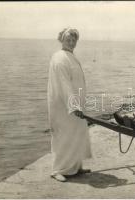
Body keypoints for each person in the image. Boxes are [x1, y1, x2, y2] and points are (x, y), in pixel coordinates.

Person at [47, 28, 91, 182]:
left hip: (75, 103)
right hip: (64, 106)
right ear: (61, 40)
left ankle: (75, 167)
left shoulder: (70, 56)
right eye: (68, 40)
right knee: (64, 136)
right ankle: (58, 169)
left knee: (77, 134)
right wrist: (74, 106)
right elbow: (64, 84)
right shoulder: (59, 58)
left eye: (74, 40)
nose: (71, 43)